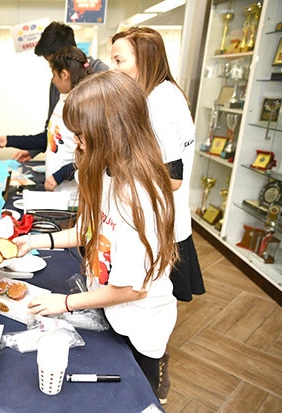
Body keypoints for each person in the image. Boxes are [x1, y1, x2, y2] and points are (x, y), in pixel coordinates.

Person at [16, 71, 177, 401]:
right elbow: (90, 230)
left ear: (111, 130)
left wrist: (64, 303)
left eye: (81, 134)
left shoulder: (139, 197)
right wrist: (33, 241)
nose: (77, 142)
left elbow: (131, 289)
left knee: (137, 396)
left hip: (140, 325)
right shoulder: (105, 171)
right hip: (108, 307)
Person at [111, 26, 205, 404]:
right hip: (157, 217)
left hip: (161, 220)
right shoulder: (155, 95)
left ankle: (152, 374)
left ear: (144, 60)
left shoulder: (160, 101)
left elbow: (173, 178)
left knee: (152, 302)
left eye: (120, 60)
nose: (114, 68)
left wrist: (117, 167)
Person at [0, 21, 108, 162]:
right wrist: (31, 150)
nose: (52, 71)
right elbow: (52, 130)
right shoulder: (58, 84)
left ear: (64, 56)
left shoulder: (102, 76)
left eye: (51, 62)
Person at [41, 46, 93, 193]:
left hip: (72, 191)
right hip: (57, 188)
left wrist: (59, 175)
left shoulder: (83, 105)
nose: (53, 80)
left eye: (54, 75)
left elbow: (90, 154)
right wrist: (9, 140)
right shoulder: (63, 98)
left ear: (64, 74)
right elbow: (54, 137)